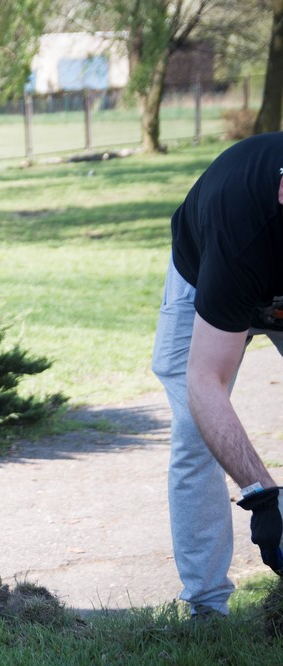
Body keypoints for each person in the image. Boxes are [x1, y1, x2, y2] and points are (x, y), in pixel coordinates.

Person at [152, 132, 283, 619]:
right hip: (206, 276)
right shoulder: (240, 232)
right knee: (195, 431)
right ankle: (206, 607)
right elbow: (204, 381)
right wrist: (262, 496)